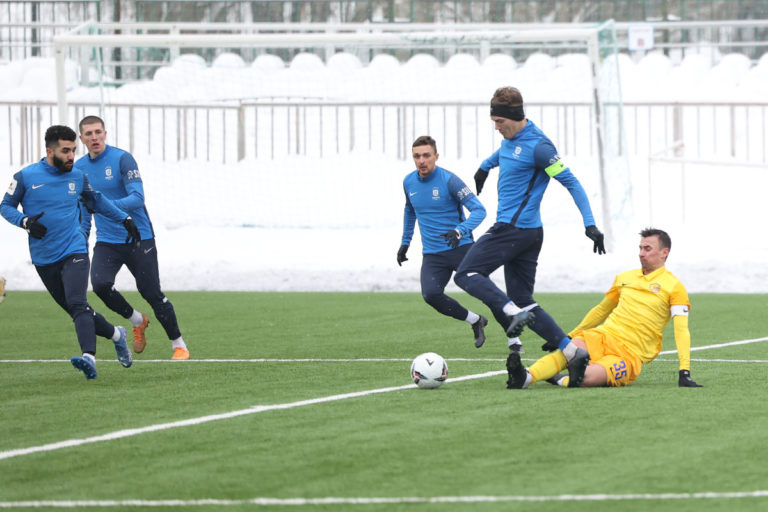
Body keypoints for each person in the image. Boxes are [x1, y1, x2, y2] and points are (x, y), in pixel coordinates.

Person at [453, 86, 606, 356]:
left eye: (499, 122)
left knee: (466, 274)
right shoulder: (511, 139)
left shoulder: (540, 147)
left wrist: (590, 224)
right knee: (524, 300)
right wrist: (484, 168)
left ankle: (511, 313)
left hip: (513, 229)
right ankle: (572, 352)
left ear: (514, 117)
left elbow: (572, 183)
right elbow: (504, 152)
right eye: (494, 122)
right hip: (528, 233)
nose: (496, 128)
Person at [1, 125, 141, 379]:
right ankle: (117, 334)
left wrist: (125, 219)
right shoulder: (25, 177)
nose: (71, 156)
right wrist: (26, 222)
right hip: (44, 258)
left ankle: (89, 358)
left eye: (73, 150)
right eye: (65, 151)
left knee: (78, 303)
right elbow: (6, 206)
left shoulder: (77, 177)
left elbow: (96, 200)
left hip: (75, 249)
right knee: (79, 311)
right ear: (49, 150)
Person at [506, 228, 703, 389]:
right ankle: (525, 377)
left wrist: (684, 371)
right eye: (640, 248)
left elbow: (681, 329)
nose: (641, 253)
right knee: (572, 348)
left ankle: (559, 379)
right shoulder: (625, 277)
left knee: (585, 378)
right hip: (602, 337)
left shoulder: (674, 287)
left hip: (629, 354)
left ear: (664, 252)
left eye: (648, 248)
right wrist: (570, 334)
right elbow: (601, 310)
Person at [75, 115, 189, 360]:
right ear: (82, 138)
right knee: (101, 285)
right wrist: (81, 239)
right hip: (107, 241)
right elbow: (84, 208)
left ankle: (178, 344)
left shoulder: (122, 159)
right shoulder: (79, 169)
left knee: (151, 293)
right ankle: (137, 321)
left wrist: (105, 205)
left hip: (138, 236)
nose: (94, 137)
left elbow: (137, 198)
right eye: (89, 134)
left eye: (98, 132)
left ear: (105, 133)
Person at [397, 135, 489, 347]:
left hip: (460, 247)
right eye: (417, 156)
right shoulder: (408, 182)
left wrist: (460, 230)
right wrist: (405, 242)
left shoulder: (449, 180)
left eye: (426, 155)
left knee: (483, 291)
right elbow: (410, 210)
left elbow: (479, 210)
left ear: (436, 156)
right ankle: (475, 321)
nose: (422, 160)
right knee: (431, 295)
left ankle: (514, 336)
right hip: (432, 254)